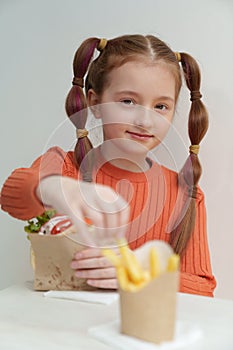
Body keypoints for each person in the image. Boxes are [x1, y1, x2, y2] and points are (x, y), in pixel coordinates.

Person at [0, 34, 216, 296]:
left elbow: (203, 287)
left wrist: (137, 271)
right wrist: (51, 186)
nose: (145, 121)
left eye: (160, 106)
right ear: (94, 103)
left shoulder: (184, 192)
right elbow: (11, 195)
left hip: (136, 333)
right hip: (63, 327)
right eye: (128, 101)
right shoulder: (67, 167)